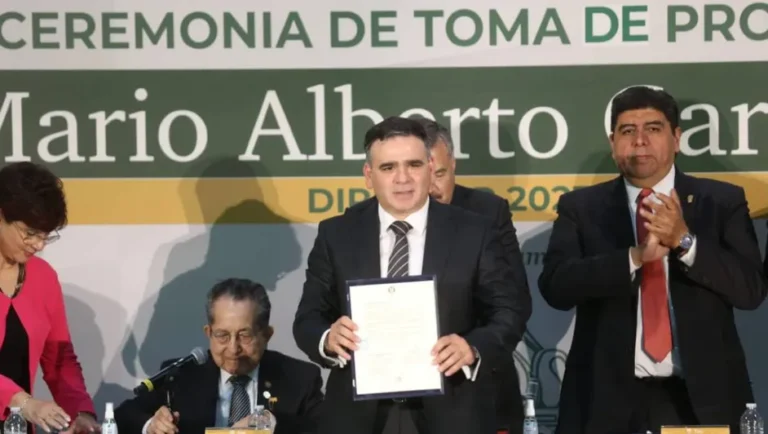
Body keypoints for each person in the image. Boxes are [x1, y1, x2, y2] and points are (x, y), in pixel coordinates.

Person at [538, 86, 768, 434]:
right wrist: (633, 258)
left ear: (676, 138)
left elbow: (750, 290)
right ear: (612, 142)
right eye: (628, 131)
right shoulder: (581, 208)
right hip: (605, 402)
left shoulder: (721, 202)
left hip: (699, 402)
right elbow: (556, 287)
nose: (640, 141)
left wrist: (685, 242)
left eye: (654, 129)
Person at [292, 116, 529, 434]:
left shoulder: (474, 230)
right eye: (388, 168)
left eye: (413, 165)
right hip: (359, 418)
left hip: (453, 412)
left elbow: (508, 311)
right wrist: (328, 339)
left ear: (431, 169)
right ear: (368, 175)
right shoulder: (337, 234)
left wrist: (472, 347)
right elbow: (308, 319)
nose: (402, 178)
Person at [414, 117, 531, 434]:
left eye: (441, 173)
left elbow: (515, 304)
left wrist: (472, 345)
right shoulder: (369, 220)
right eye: (425, 176)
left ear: (454, 164)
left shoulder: (488, 213)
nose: (434, 189)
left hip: (479, 389)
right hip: (402, 401)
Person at [114, 278, 323, 434]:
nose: (233, 349)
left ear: (266, 335)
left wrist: (274, 424)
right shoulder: (181, 376)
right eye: (222, 336)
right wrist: (151, 425)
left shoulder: (299, 378)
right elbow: (124, 415)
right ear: (208, 333)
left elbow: (327, 427)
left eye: (244, 335)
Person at [0, 162, 100, 434]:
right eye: (30, 233)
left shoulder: (42, 277)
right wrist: (23, 402)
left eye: (46, 235)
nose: (39, 245)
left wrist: (80, 412)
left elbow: (60, 359)